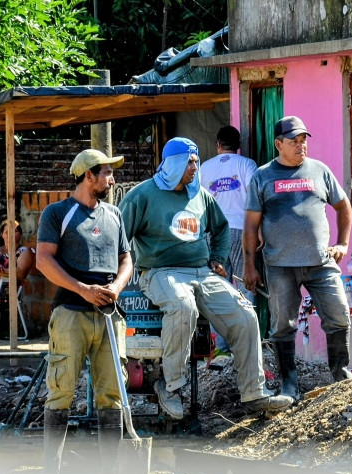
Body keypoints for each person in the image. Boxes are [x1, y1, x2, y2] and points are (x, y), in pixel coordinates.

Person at [119, 137, 293, 418]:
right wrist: (117, 274)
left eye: (196, 161)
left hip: (201, 272)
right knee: (182, 306)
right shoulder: (143, 195)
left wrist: (217, 258)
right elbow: (119, 237)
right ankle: (171, 386)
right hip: (160, 272)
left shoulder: (199, 194)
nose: (194, 167)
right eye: (189, 161)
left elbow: (221, 227)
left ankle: (254, 392)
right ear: (172, 163)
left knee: (245, 315)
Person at [243, 116, 352, 401]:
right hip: (280, 265)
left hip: (321, 262)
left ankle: (341, 375)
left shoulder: (319, 171)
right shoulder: (262, 176)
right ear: (278, 144)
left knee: (339, 315)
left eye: (304, 140)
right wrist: (249, 266)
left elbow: (343, 206)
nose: (300, 145)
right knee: (283, 324)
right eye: (294, 141)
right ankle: (289, 385)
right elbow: (251, 226)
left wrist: (342, 243)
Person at [35, 149, 132, 474]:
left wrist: (116, 286)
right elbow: (43, 260)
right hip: (70, 313)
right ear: (89, 175)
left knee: (112, 394)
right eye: (107, 173)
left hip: (109, 316)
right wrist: (82, 289)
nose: (112, 179)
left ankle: (111, 470)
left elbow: (127, 259)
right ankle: (52, 469)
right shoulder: (57, 213)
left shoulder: (114, 215)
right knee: (61, 391)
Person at [200, 125, 258, 304]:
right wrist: (259, 230)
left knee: (218, 285)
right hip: (242, 230)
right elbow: (255, 197)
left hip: (215, 233)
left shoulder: (204, 168)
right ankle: (247, 320)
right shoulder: (247, 164)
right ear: (238, 145)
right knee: (245, 284)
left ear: (218, 144)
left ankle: (220, 323)